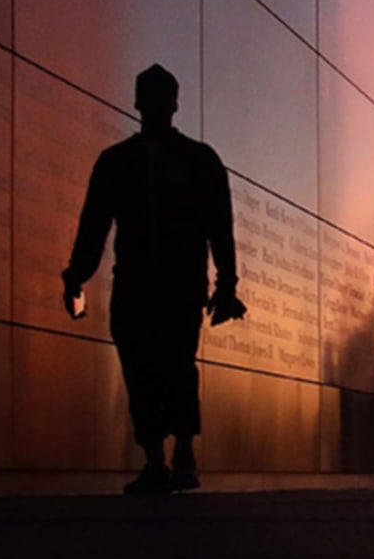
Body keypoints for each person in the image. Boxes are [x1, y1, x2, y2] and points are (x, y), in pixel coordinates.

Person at [63, 65, 245, 494]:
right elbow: (94, 226)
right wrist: (77, 274)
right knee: (145, 367)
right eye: (155, 96)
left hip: (174, 284)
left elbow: (220, 227)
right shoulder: (123, 162)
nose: (158, 104)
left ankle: (177, 455)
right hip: (142, 283)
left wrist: (227, 284)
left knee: (173, 365)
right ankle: (161, 459)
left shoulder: (193, 160)